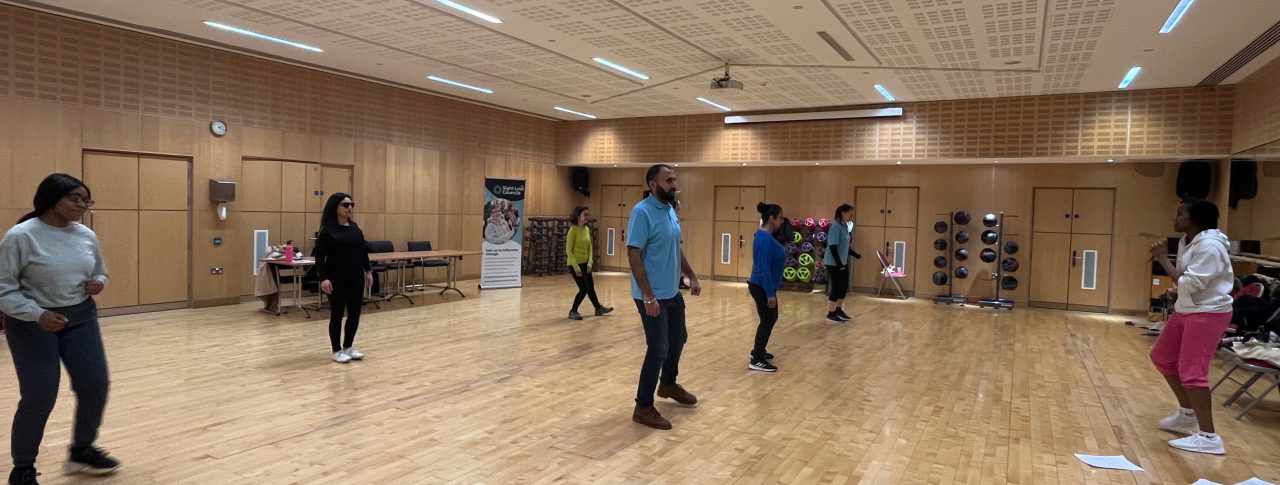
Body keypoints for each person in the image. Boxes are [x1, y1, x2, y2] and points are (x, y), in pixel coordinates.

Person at [1, 174, 120, 484]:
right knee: (40, 395)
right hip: (32, 325)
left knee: (95, 386)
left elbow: (100, 271)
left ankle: (82, 450)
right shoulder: (21, 236)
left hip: (81, 319)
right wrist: (36, 313)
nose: (82, 205)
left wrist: (98, 283)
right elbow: (4, 289)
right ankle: (23, 467)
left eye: (86, 200)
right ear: (52, 200)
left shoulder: (85, 235)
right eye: (75, 198)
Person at [1149, 199, 1234, 455]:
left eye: (1180, 214)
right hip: (1188, 310)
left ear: (1194, 219)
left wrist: (1163, 260)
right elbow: (1191, 280)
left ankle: (1209, 437)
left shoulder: (1211, 246)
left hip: (1208, 314)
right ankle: (1188, 413)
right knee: (1162, 357)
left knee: (1192, 371)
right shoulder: (1190, 241)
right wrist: (1178, 290)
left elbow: (1190, 281)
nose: (1175, 218)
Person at [628, 164, 701, 430]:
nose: (674, 184)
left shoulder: (670, 209)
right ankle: (643, 406)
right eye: (668, 180)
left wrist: (691, 275)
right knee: (658, 348)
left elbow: (674, 247)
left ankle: (668, 383)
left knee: (678, 338)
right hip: (651, 294)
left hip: (671, 291)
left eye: (674, 179)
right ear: (653, 185)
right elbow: (634, 254)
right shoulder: (642, 212)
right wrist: (648, 296)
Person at [314, 193, 373, 364]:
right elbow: (319, 257)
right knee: (337, 314)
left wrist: (368, 271)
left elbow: (362, 251)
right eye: (345, 205)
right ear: (335, 207)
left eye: (351, 204)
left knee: (355, 314)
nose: (349, 208)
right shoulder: (327, 230)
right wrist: (323, 278)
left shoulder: (354, 227)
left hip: (356, 277)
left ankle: (348, 346)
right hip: (336, 278)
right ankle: (336, 350)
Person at [747, 202, 786, 372]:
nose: (782, 222)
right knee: (768, 319)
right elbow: (763, 269)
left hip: (764, 286)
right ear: (771, 219)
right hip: (761, 286)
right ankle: (757, 359)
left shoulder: (765, 237)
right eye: (780, 218)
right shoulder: (764, 239)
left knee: (770, 318)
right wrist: (770, 294)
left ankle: (759, 350)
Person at [565, 206, 613, 321]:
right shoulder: (573, 230)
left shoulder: (586, 229)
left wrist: (590, 263)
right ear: (578, 216)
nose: (587, 216)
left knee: (591, 287)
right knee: (584, 288)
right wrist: (575, 266)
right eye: (584, 214)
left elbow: (590, 248)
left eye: (587, 214)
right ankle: (573, 311)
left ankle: (598, 309)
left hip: (585, 264)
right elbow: (568, 250)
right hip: (575, 264)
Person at [823, 204, 857, 323]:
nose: (851, 217)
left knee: (844, 286)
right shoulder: (835, 227)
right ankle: (830, 313)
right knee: (836, 287)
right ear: (843, 213)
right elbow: (833, 247)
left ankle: (838, 310)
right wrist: (839, 264)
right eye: (850, 214)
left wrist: (855, 255)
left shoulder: (844, 227)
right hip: (833, 263)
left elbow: (845, 246)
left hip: (842, 262)